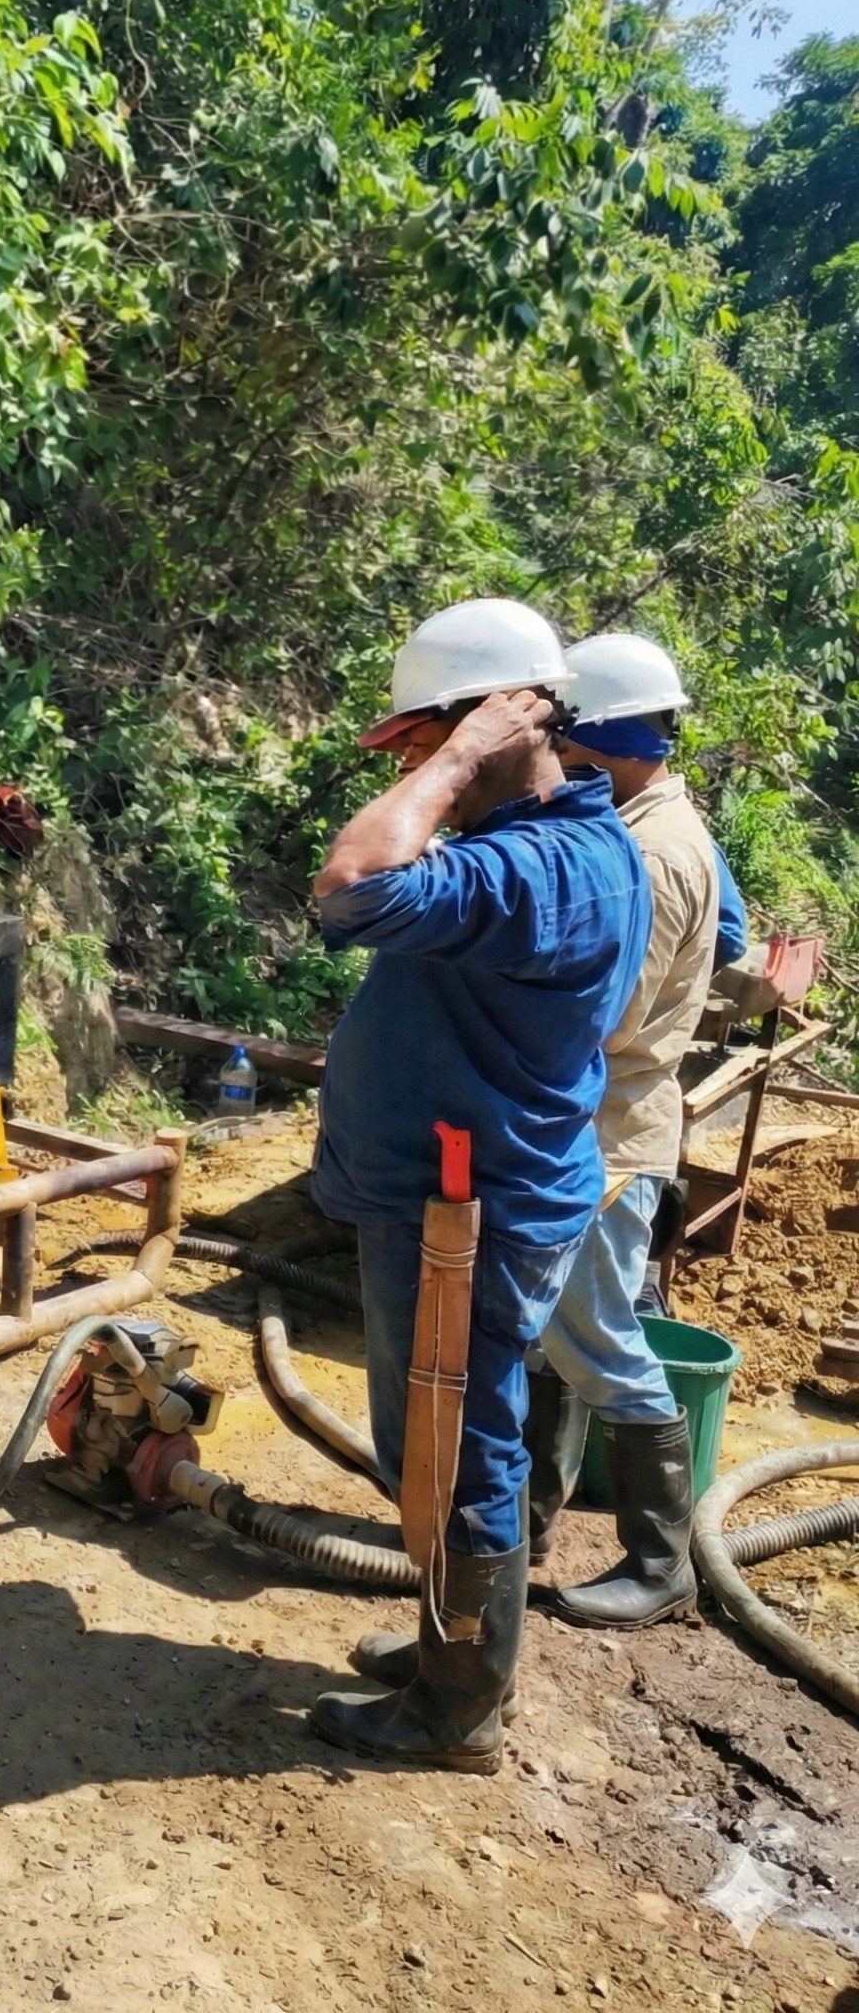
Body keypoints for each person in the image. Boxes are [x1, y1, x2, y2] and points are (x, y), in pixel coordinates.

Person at [304, 598, 651, 1772]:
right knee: (450, 1435)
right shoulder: (564, 845)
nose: (410, 765)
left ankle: (456, 1709)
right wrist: (459, 755)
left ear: (496, 722)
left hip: (465, 1210)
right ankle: (446, 1650)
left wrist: (454, 759)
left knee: (452, 1447)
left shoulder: (538, 869)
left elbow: (351, 882)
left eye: (420, 739)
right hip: (472, 1192)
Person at [519, 634, 719, 1628]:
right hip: (592, 1125)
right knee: (546, 1337)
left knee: (596, 1336)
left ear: (601, 740)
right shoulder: (644, 823)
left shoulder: (650, 853)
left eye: (565, 740)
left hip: (607, 1135)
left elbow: (603, 1015)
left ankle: (658, 1560)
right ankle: (520, 1525)